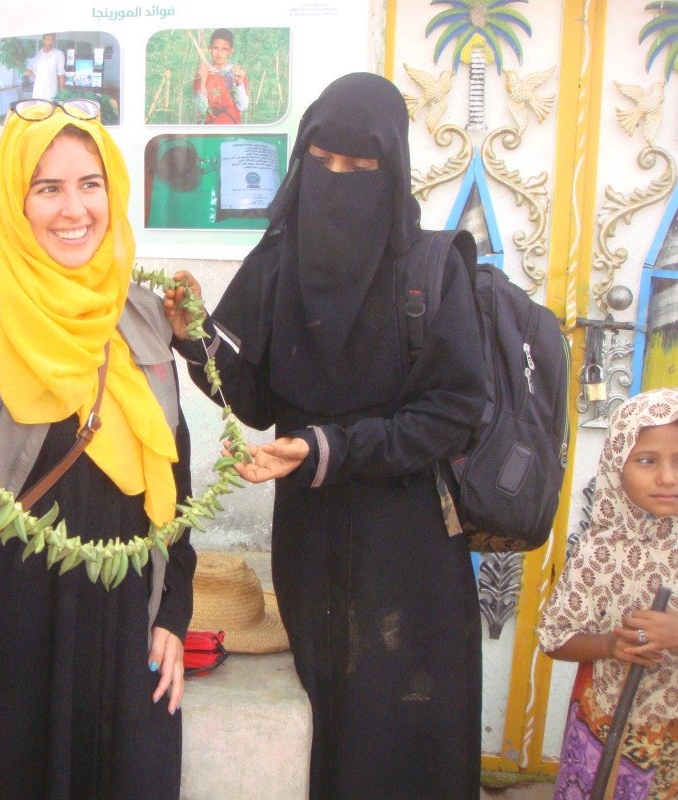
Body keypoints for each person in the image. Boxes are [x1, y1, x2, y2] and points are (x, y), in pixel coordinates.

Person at [165, 72, 487, 799]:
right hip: (310, 541)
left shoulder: (429, 268)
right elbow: (253, 399)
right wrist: (196, 338)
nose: (337, 179)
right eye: (322, 160)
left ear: (391, 168)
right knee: (327, 723)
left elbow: (453, 412)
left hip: (406, 544)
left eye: (359, 165)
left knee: (405, 726)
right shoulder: (278, 262)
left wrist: (330, 449)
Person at [0, 98, 196, 800]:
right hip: (4, 655)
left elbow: (175, 492)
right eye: (48, 188)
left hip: (123, 642)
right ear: (14, 200)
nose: (74, 209)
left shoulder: (143, 320)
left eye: (90, 184)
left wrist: (173, 617)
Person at [539, 388, 678, 799]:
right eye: (647, 460)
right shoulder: (599, 551)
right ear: (617, 464)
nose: (667, 477)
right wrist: (609, 645)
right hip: (603, 720)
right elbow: (554, 637)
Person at [193, 28, 249, 124]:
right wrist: (202, 82)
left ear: (230, 51)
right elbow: (200, 111)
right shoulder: (202, 73)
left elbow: (243, 106)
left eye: (224, 49)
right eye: (215, 48)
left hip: (232, 128)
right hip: (208, 129)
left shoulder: (237, 73)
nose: (219, 53)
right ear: (209, 48)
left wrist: (239, 84)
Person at [26, 33, 66, 101]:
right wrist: (19, 68)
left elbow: (61, 74)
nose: (50, 42)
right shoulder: (38, 54)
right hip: (38, 92)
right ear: (43, 40)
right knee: (37, 107)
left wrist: (63, 93)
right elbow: (34, 73)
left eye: (52, 39)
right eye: (47, 39)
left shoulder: (59, 54)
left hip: (51, 92)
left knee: (52, 107)